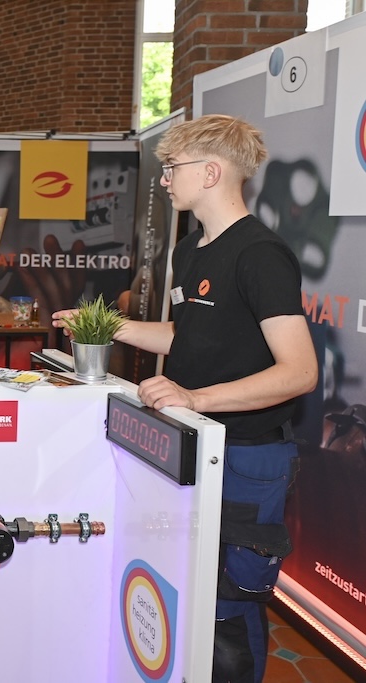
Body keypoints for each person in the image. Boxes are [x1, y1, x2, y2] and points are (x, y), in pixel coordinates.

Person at [53, 114, 317, 683]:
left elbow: (299, 372)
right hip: (194, 446)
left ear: (212, 172)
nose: (165, 179)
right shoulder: (191, 250)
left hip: (248, 456)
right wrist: (107, 326)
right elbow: (186, 336)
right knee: (186, 593)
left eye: (173, 168)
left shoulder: (260, 254)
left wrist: (195, 398)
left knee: (228, 609)